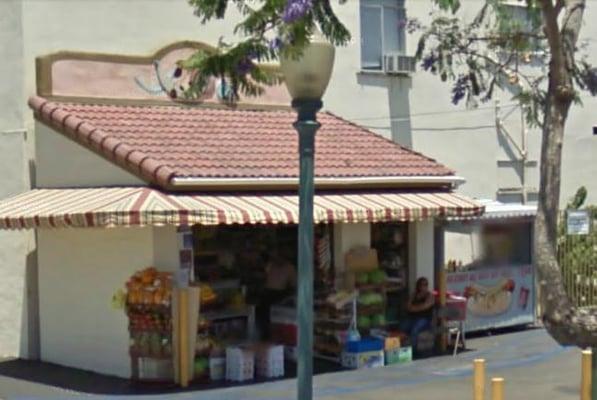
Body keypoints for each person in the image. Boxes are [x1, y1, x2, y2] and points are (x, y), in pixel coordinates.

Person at [256, 253, 297, 339]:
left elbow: (293, 285)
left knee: (275, 320)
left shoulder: (289, 268)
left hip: (279, 295)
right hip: (267, 294)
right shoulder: (271, 265)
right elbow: (265, 277)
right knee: (264, 318)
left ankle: (271, 337)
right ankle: (264, 336)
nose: (278, 259)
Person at [400, 277, 435, 351]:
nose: (424, 286)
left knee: (414, 329)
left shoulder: (430, 296)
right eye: (422, 284)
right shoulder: (414, 295)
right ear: (418, 286)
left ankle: (414, 350)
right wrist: (414, 308)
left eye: (425, 284)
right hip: (413, 318)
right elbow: (408, 306)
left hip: (425, 319)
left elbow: (425, 306)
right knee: (403, 326)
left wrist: (414, 308)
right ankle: (402, 348)